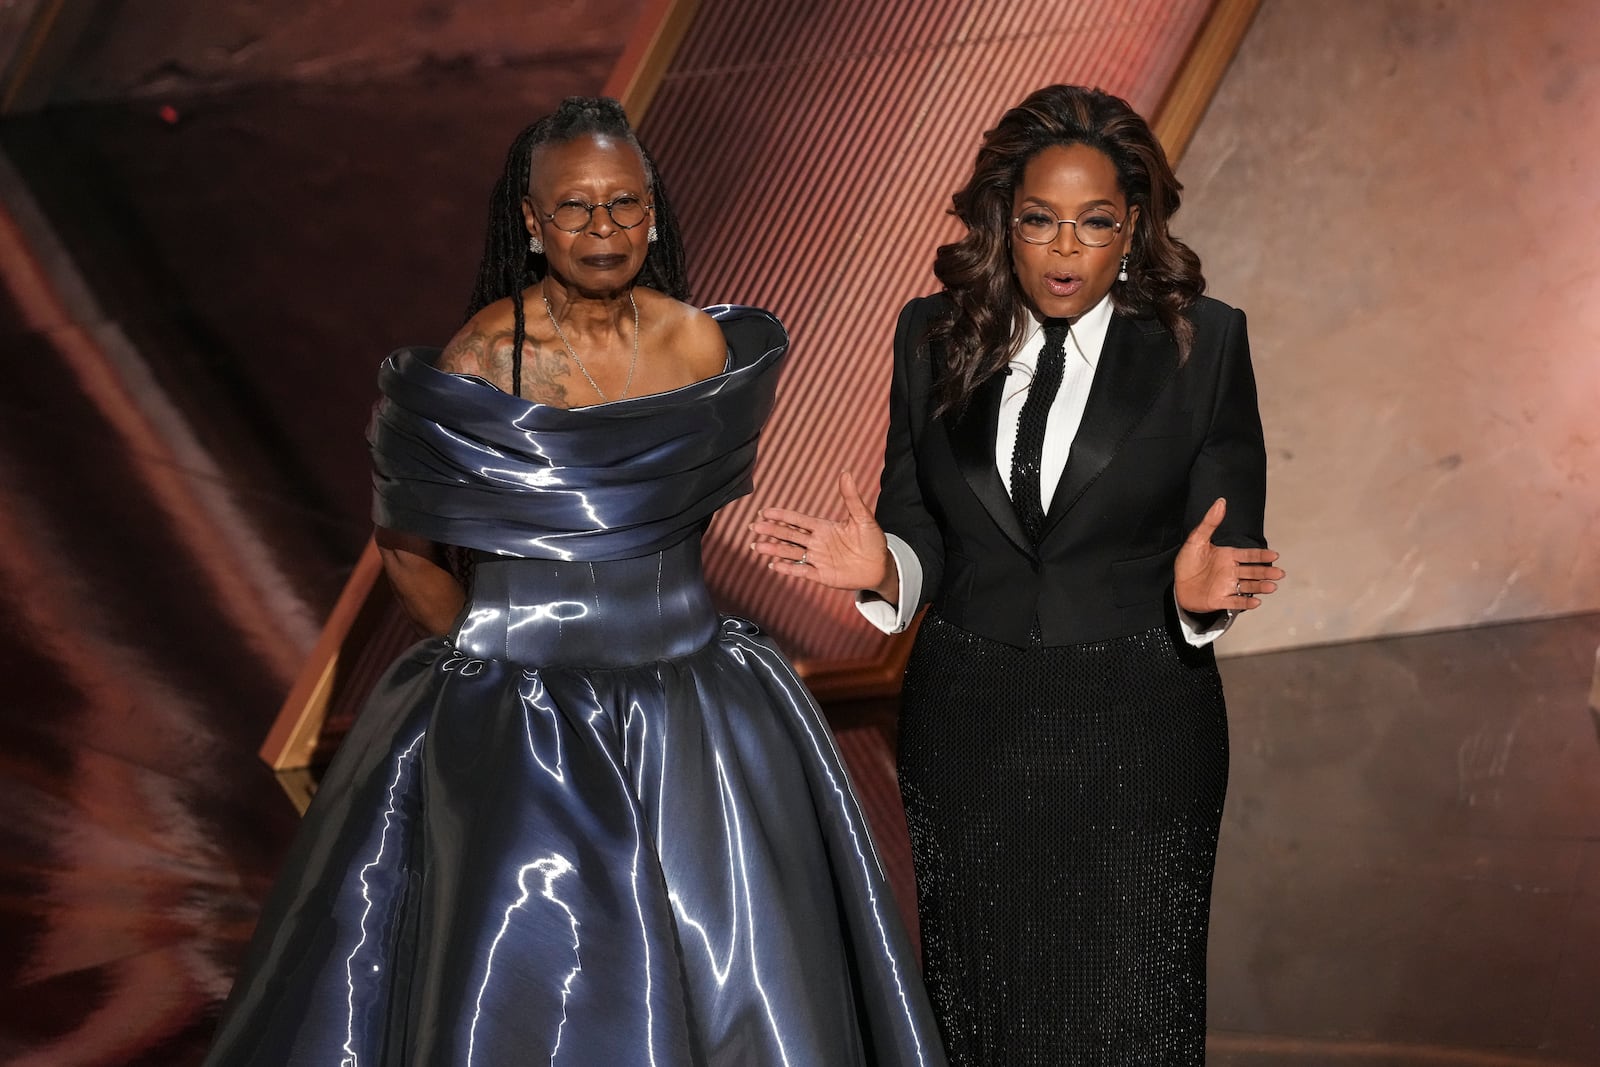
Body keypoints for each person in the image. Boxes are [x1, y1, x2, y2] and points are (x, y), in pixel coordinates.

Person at [203, 97, 945, 1067]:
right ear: (531, 221)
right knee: (543, 981)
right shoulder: (480, 358)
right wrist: (500, 648)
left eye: (626, 204)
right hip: (524, 718)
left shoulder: (700, 346)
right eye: (578, 208)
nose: (605, 230)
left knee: (738, 969)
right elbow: (406, 547)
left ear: (652, 210)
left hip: (698, 706)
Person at [749, 84, 1284, 1064]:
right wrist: (884, 567)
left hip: (1137, 720)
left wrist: (1200, 596)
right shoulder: (931, 334)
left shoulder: (1202, 343)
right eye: (1040, 220)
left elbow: (1227, 525)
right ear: (1006, 220)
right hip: (971, 724)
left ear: (1133, 229)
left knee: (1131, 1006)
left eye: (1094, 223)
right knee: (985, 1004)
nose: (1065, 248)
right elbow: (916, 524)